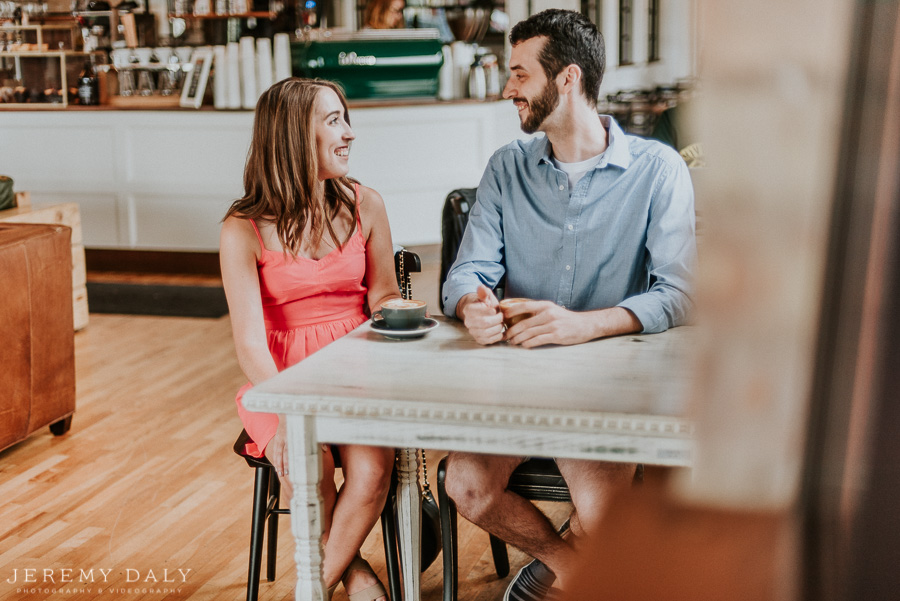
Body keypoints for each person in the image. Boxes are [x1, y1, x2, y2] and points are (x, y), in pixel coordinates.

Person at [440, 9, 696, 601]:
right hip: (513, 377)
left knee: (608, 518)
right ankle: (564, 563)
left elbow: (680, 291)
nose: (508, 89)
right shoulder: (507, 168)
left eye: (519, 75)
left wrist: (583, 326)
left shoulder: (658, 171)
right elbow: (466, 272)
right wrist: (471, 303)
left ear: (568, 79)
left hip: (600, 387)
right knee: (466, 485)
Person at [220, 77, 401, 601]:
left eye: (346, 119)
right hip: (280, 376)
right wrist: (289, 409)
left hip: (356, 368)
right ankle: (355, 574)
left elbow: (383, 293)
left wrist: (398, 312)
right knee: (310, 465)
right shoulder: (243, 229)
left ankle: (312, 589)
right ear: (294, 137)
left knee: (372, 471)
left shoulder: (367, 204)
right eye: (333, 121)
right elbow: (250, 343)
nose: (348, 133)